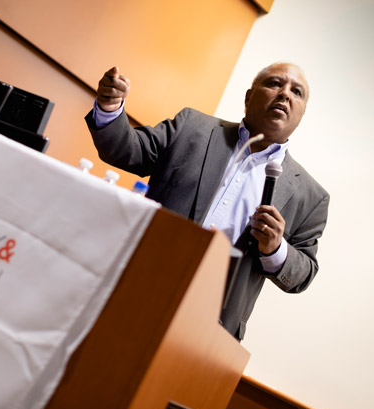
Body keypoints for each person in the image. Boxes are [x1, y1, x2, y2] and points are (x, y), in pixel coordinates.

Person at [85, 63, 329, 341]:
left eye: (296, 92)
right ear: (249, 97)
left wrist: (276, 248)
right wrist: (110, 106)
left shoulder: (310, 196)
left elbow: (302, 274)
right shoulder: (192, 128)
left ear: (301, 114)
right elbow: (127, 150)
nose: (285, 94)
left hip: (210, 330)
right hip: (137, 287)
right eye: (275, 83)